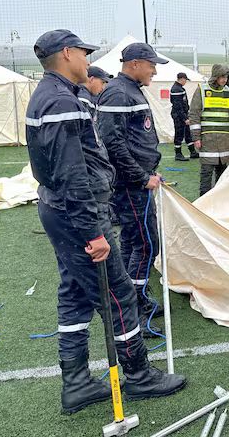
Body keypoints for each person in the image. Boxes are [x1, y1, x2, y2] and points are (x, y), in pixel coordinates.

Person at [27, 30, 185, 414]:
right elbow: (72, 173)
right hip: (77, 213)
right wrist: (93, 232)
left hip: (61, 209)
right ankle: (139, 375)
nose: (88, 61)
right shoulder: (61, 101)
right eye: (84, 53)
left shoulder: (52, 94)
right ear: (67, 53)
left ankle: (77, 382)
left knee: (75, 294)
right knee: (118, 295)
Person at [97, 42, 168, 333]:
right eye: (151, 65)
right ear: (135, 63)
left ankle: (130, 299)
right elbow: (113, 144)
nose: (154, 71)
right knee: (147, 244)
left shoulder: (130, 90)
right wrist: (141, 177)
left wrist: (148, 170)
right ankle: (134, 306)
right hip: (130, 185)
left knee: (132, 240)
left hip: (137, 180)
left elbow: (134, 138)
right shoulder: (118, 92)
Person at [189, 64, 229, 195]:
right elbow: (194, 115)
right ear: (215, 76)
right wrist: (196, 137)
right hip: (207, 140)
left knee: (223, 174)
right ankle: (203, 200)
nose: (224, 80)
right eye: (222, 77)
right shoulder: (202, 90)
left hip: (225, 141)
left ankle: (219, 200)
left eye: (226, 77)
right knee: (206, 173)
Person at [170, 72, 198, 161]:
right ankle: (178, 154)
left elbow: (184, 104)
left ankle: (192, 152)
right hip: (178, 115)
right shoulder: (176, 89)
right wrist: (185, 118)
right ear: (181, 79)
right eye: (185, 80)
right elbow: (178, 106)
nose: (185, 82)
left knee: (188, 133)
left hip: (182, 114)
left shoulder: (179, 88)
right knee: (179, 134)